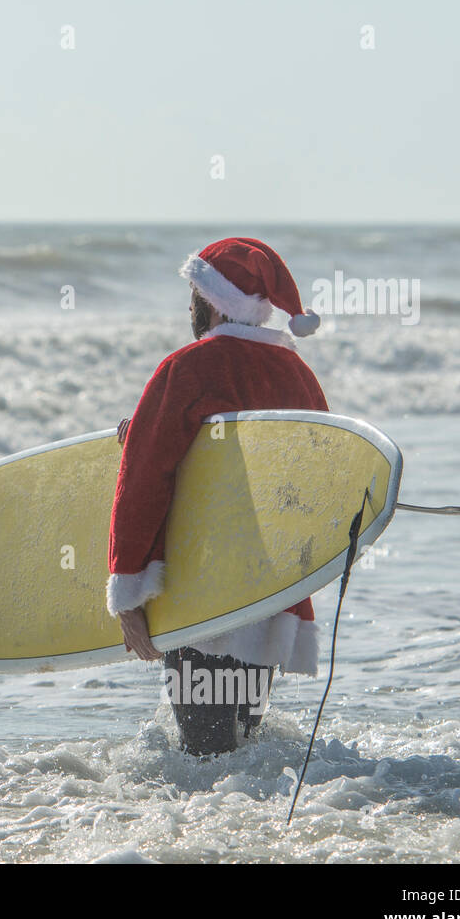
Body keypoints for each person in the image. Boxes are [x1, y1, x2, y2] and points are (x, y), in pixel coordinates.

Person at [108, 237, 327, 756]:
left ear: (211, 299)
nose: (188, 308)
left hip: (202, 605)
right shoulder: (300, 376)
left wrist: (128, 594)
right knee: (245, 754)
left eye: (192, 296)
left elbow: (144, 482)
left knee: (204, 763)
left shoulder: (185, 370)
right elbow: (318, 483)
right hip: (270, 603)